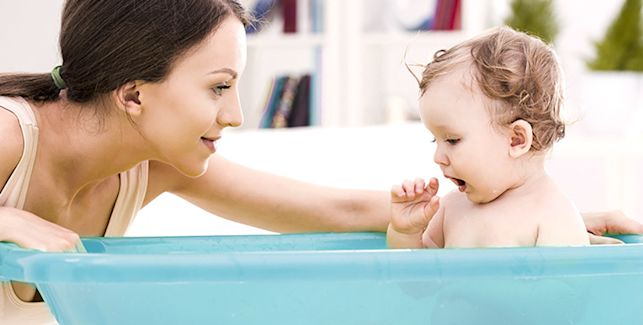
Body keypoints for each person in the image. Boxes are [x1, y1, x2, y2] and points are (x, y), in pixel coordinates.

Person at [0, 2, 640, 324]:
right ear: (134, 94)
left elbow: (341, 211)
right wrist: (12, 223)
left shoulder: (156, 163)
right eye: (219, 87)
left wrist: (551, 228)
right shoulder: (11, 137)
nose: (236, 116)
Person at [387, 26, 623, 249]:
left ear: (516, 140)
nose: (438, 157)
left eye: (452, 140)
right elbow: (418, 285)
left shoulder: (552, 215)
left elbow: (568, 291)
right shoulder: (450, 209)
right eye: (435, 140)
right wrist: (406, 233)